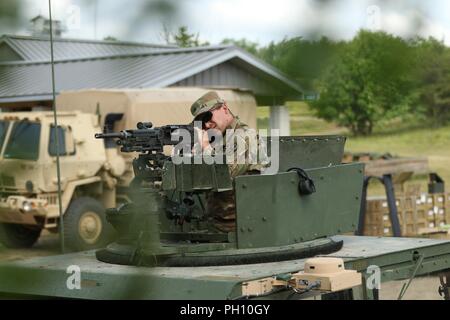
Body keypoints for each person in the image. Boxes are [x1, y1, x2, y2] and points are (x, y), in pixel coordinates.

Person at [190, 91, 269, 232]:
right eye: (202, 121)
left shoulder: (245, 136)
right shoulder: (216, 140)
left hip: (240, 227)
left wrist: (206, 148)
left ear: (224, 108)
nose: (207, 124)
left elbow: (226, 173)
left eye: (208, 116)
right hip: (214, 223)